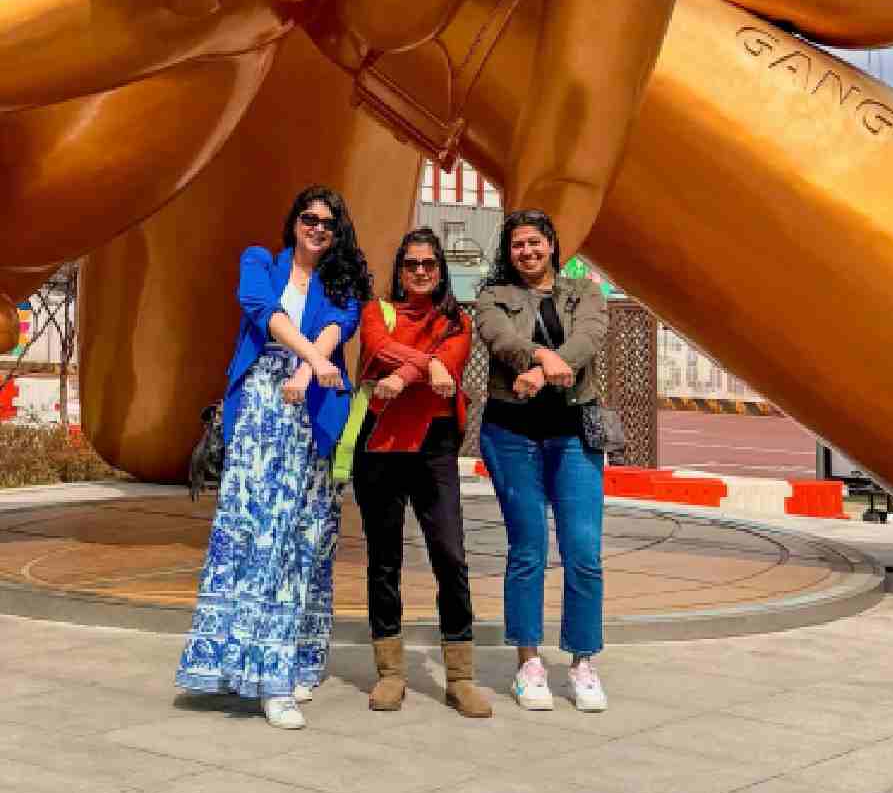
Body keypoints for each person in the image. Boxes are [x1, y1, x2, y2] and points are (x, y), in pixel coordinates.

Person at [176, 186, 370, 729]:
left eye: (328, 224)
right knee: (251, 535)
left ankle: (293, 664)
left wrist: (310, 368)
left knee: (303, 541)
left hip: (313, 416)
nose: (317, 229)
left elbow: (339, 325)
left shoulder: (340, 281)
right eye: (309, 219)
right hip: (262, 410)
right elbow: (263, 312)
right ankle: (243, 670)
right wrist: (307, 358)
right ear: (293, 223)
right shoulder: (260, 261)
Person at [475, 209, 610, 712]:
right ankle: (528, 661)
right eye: (517, 246)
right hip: (512, 433)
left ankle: (581, 661)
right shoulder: (493, 297)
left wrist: (553, 366)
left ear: (552, 245)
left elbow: (589, 336)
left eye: (535, 243)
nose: (527, 252)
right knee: (528, 547)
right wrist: (539, 361)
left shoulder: (585, 292)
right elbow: (501, 339)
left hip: (574, 432)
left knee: (583, 550)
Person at [353, 226, 491, 718]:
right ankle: (390, 672)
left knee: (450, 556)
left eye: (429, 263)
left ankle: (460, 676)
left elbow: (448, 367)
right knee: (383, 560)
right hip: (380, 444)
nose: (420, 271)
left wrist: (401, 373)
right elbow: (376, 345)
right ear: (400, 269)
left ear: (441, 269)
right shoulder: (378, 310)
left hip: (433, 447)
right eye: (411, 263)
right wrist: (421, 367)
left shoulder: (458, 320)